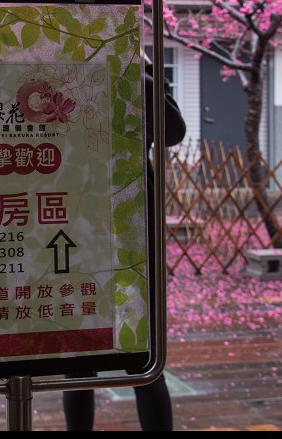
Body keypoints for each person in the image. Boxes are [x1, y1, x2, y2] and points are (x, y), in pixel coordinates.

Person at [63, 58, 186, 432]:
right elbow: (174, 131)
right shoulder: (140, 81)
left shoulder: (65, 78)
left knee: (79, 358)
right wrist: (157, 77)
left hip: (76, 205)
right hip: (132, 210)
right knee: (143, 359)